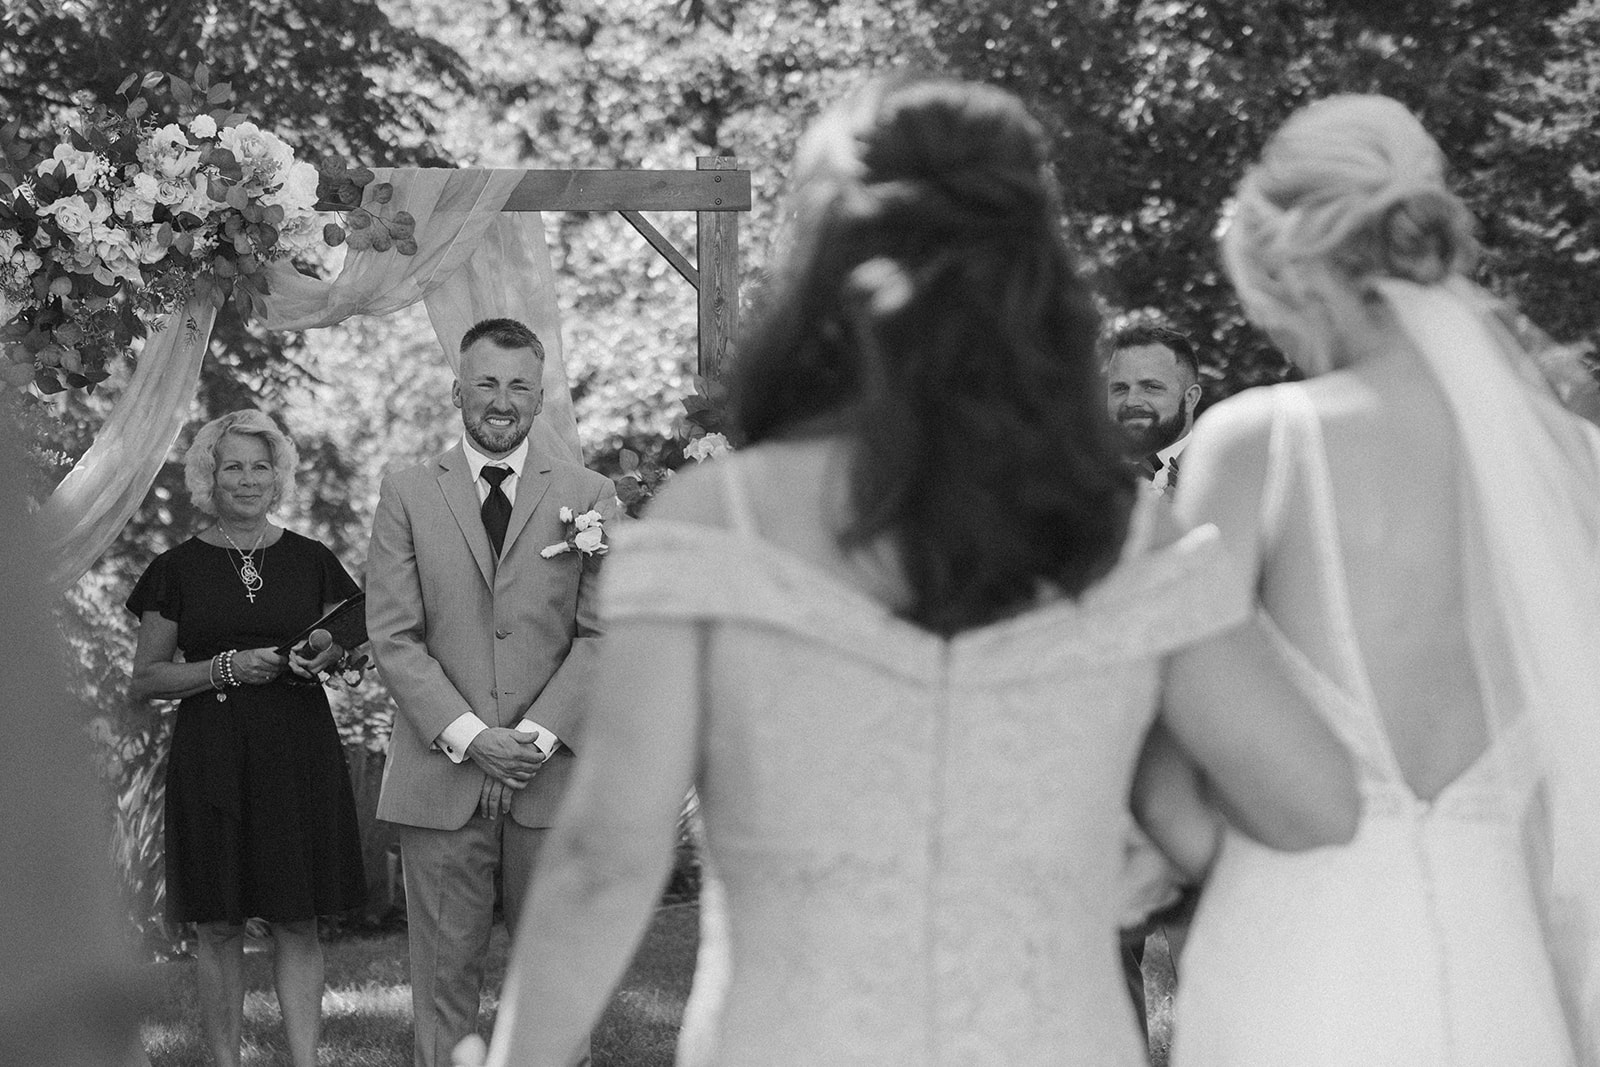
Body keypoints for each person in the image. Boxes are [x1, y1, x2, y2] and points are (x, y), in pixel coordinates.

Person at [463, 75, 1357, 1067]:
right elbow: (1312, 802)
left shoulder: (720, 517)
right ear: (1031, 273)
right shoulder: (1121, 532)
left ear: (825, 266)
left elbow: (604, 857)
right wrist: (1145, 825)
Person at [1166, 94, 1600, 1066]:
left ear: (1290, 266)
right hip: (1507, 988)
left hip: (1290, 967)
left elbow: (1173, 764)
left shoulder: (1259, 445)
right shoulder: (1577, 468)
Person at [366, 317, 619, 1067]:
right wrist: (476, 739)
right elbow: (394, 634)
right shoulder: (407, 492)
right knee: (444, 986)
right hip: (440, 778)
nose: (501, 400)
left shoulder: (590, 493)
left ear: (539, 397)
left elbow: (605, 632)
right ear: (457, 392)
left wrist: (532, 740)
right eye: (486, 383)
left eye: (517, 385)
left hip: (554, 775)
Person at [126, 409, 366, 1067]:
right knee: (218, 922)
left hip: (298, 752)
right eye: (233, 464)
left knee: (298, 917)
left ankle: (305, 1060)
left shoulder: (313, 559)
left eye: (261, 465)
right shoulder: (174, 568)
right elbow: (146, 678)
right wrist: (227, 665)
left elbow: (348, 642)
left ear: (279, 475)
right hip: (211, 754)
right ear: (209, 474)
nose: (248, 477)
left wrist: (332, 652)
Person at [1105, 322, 1203, 494]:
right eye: (1120, 389)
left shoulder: (1219, 473)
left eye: (1151, 387)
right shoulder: (1080, 479)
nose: (1131, 401)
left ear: (1190, 398)